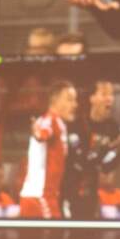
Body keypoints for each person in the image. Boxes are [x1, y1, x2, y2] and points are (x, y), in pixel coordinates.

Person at [62, 81, 120, 219]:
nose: (109, 98)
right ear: (92, 98)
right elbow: (80, 161)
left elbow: (105, 167)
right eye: (104, 94)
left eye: (111, 94)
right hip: (68, 190)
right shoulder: (76, 125)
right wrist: (107, 148)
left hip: (91, 192)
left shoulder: (113, 128)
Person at [18, 80, 78, 219]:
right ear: (54, 100)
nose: (75, 105)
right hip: (41, 198)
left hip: (41, 197)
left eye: (75, 100)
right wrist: (39, 134)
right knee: (55, 238)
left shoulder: (56, 122)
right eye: (69, 99)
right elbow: (43, 133)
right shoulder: (51, 120)